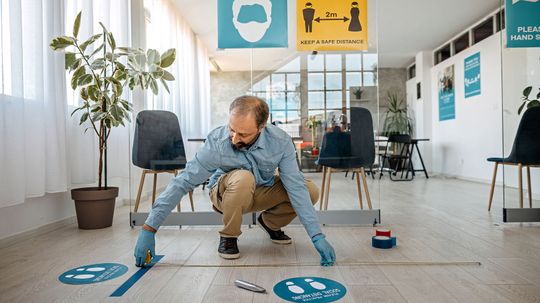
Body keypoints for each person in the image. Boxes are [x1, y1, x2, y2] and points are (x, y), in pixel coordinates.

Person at [134, 95, 336, 266]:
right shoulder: (218, 142)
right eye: (232, 129)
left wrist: (317, 236)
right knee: (243, 178)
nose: (234, 139)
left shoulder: (280, 142)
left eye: (243, 134)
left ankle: (270, 223)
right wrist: (149, 228)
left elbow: (295, 188)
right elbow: (183, 182)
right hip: (225, 193)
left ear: (262, 127)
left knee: (309, 190)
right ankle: (229, 237)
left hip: (260, 189)